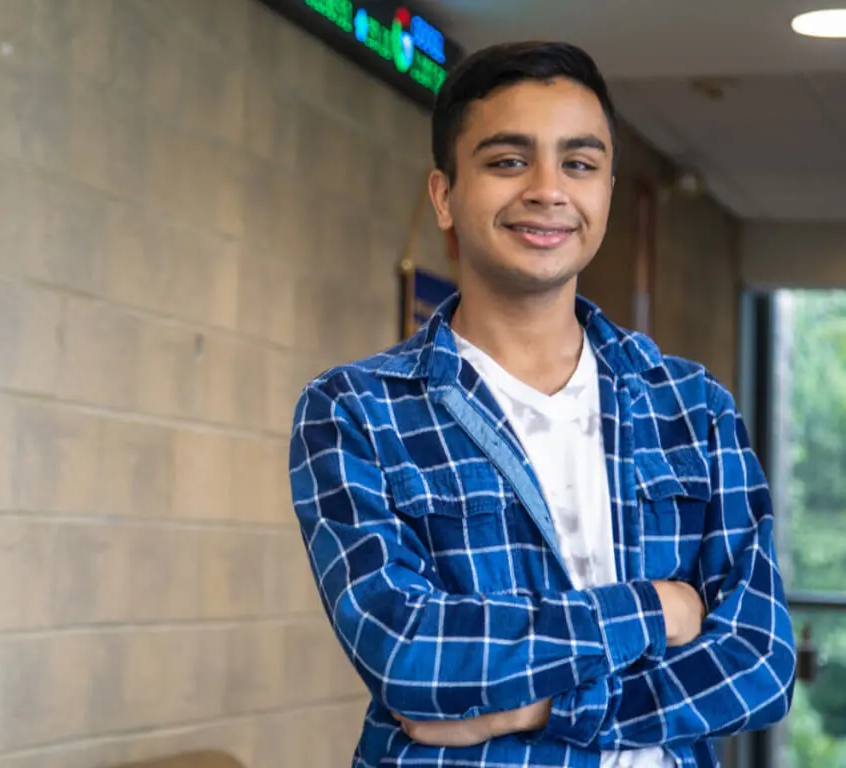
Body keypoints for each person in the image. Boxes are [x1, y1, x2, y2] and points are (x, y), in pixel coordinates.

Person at [287, 41, 796, 768]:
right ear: (444, 195)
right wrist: (656, 609)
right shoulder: (357, 412)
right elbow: (412, 656)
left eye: (579, 164)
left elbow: (758, 662)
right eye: (507, 161)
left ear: (607, 190)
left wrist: (544, 707)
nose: (548, 189)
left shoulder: (691, 406)